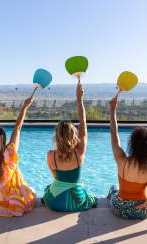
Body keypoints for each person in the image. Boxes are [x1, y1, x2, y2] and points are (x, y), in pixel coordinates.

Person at [108, 94, 147, 238]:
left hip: (120, 209)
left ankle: (112, 193)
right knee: (144, 199)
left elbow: (114, 133)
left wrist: (112, 110)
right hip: (141, 211)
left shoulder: (121, 160)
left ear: (133, 144)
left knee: (113, 189)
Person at [42, 82, 97, 211]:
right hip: (76, 201)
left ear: (56, 136)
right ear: (74, 135)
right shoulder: (80, 152)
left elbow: (55, 177)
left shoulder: (51, 155)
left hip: (54, 202)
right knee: (91, 198)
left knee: (48, 189)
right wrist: (79, 99)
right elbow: (83, 121)